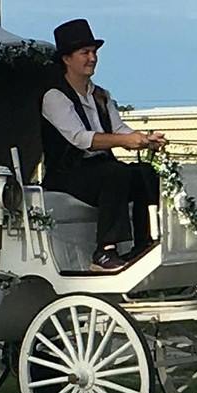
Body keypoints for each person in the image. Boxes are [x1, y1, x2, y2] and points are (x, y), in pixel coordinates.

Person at [40, 18, 167, 273]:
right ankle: (104, 251)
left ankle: (144, 242)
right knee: (115, 174)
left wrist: (146, 139)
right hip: (67, 174)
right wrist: (126, 141)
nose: (92, 58)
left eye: (94, 52)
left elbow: (118, 129)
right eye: (85, 53)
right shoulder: (54, 96)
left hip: (99, 170)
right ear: (67, 59)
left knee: (145, 173)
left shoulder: (101, 95)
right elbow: (81, 138)